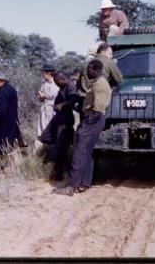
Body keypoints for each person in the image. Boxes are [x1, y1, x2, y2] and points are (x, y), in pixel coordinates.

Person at [54, 60, 111, 196]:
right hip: (93, 120)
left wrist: (84, 126)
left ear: (96, 70)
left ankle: (71, 187)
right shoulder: (97, 83)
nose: (87, 72)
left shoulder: (100, 85)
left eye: (89, 69)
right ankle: (84, 184)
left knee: (79, 152)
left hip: (93, 120)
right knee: (87, 153)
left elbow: (98, 110)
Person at [49, 71, 79, 181]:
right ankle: (59, 171)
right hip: (61, 119)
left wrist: (62, 105)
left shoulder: (70, 86)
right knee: (59, 145)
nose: (56, 84)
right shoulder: (64, 86)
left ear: (62, 79)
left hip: (65, 120)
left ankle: (59, 173)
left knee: (62, 147)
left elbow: (74, 99)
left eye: (57, 82)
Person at [0, 71, 19, 162]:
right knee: (9, 144)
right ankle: (9, 163)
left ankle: (2, 164)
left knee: (1, 146)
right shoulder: (11, 89)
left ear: (0, 80)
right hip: (11, 122)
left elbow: (1, 111)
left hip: (2, 124)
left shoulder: (2, 92)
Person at [36, 64, 60, 139]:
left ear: (49, 73)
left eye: (43, 73)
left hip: (53, 107)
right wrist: (40, 96)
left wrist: (44, 95)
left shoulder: (56, 82)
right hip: (44, 107)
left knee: (51, 126)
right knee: (42, 126)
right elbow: (41, 97)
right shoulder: (44, 83)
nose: (42, 75)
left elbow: (55, 95)